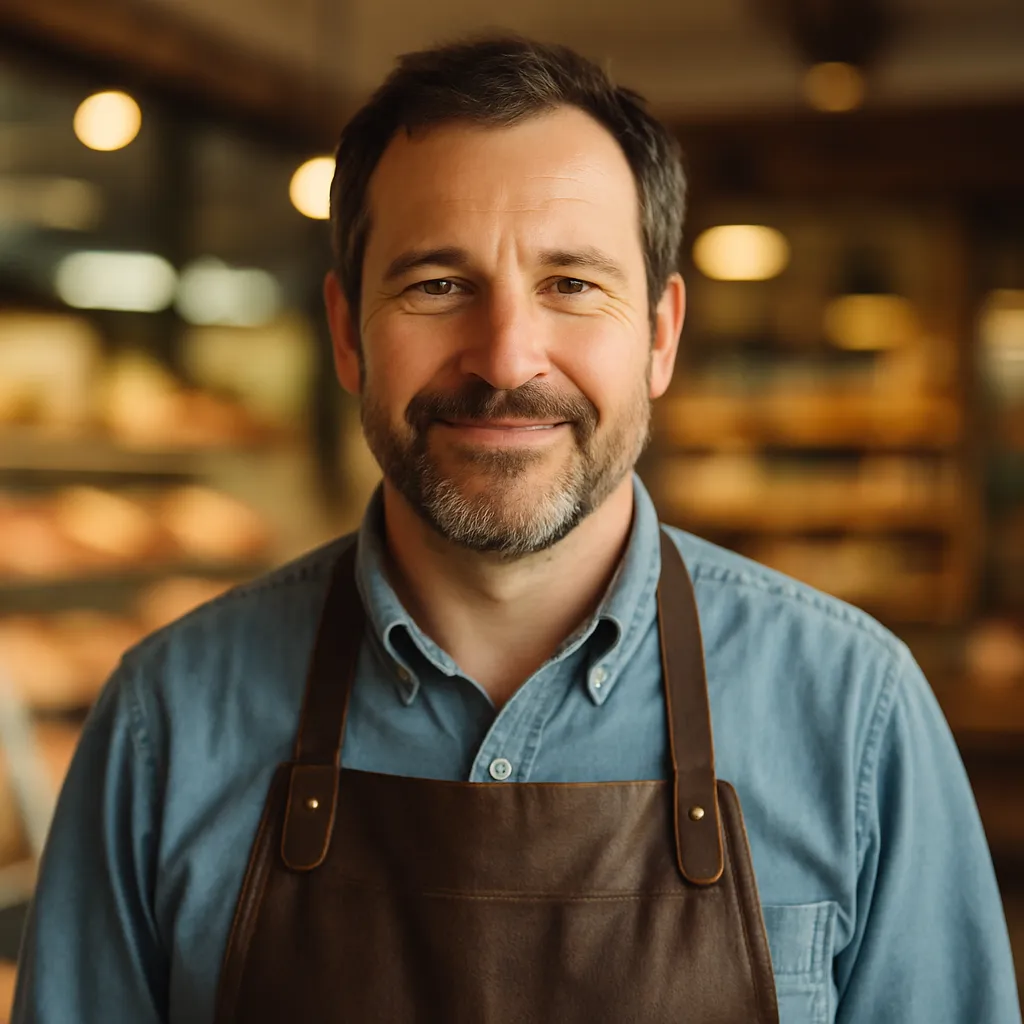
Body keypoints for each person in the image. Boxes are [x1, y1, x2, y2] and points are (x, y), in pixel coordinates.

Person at [12, 36, 1021, 1024]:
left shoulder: (855, 714)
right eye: (436, 285)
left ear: (660, 335)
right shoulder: (166, 721)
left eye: (571, 284)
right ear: (345, 334)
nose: (504, 357)